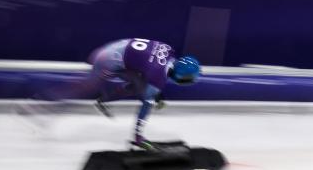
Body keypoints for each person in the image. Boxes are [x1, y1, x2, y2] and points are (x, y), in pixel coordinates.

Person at [23, 38, 200, 151]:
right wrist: (138, 138)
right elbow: (144, 110)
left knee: (139, 86)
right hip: (106, 62)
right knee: (82, 89)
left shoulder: (168, 50)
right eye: (188, 79)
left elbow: (146, 63)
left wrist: (156, 95)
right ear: (180, 75)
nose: (188, 82)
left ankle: (103, 100)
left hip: (114, 50)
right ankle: (39, 104)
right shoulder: (157, 77)